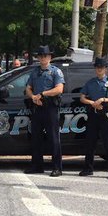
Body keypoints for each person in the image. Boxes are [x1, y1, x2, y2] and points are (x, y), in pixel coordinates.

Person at [79, 56, 108, 179]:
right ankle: (88, 168)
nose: (99, 69)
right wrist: (92, 103)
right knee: (90, 143)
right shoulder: (90, 83)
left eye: (102, 67)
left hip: (106, 115)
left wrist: (103, 100)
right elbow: (82, 97)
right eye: (97, 67)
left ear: (105, 69)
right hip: (93, 114)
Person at [24, 45, 65, 176]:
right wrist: (33, 97)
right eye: (41, 56)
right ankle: (37, 166)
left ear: (50, 57)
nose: (43, 58)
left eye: (45, 56)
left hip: (51, 108)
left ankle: (57, 167)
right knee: (36, 137)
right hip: (37, 107)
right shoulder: (35, 72)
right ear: (38, 57)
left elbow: (59, 89)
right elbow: (28, 88)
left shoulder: (55, 72)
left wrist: (42, 94)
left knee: (54, 138)